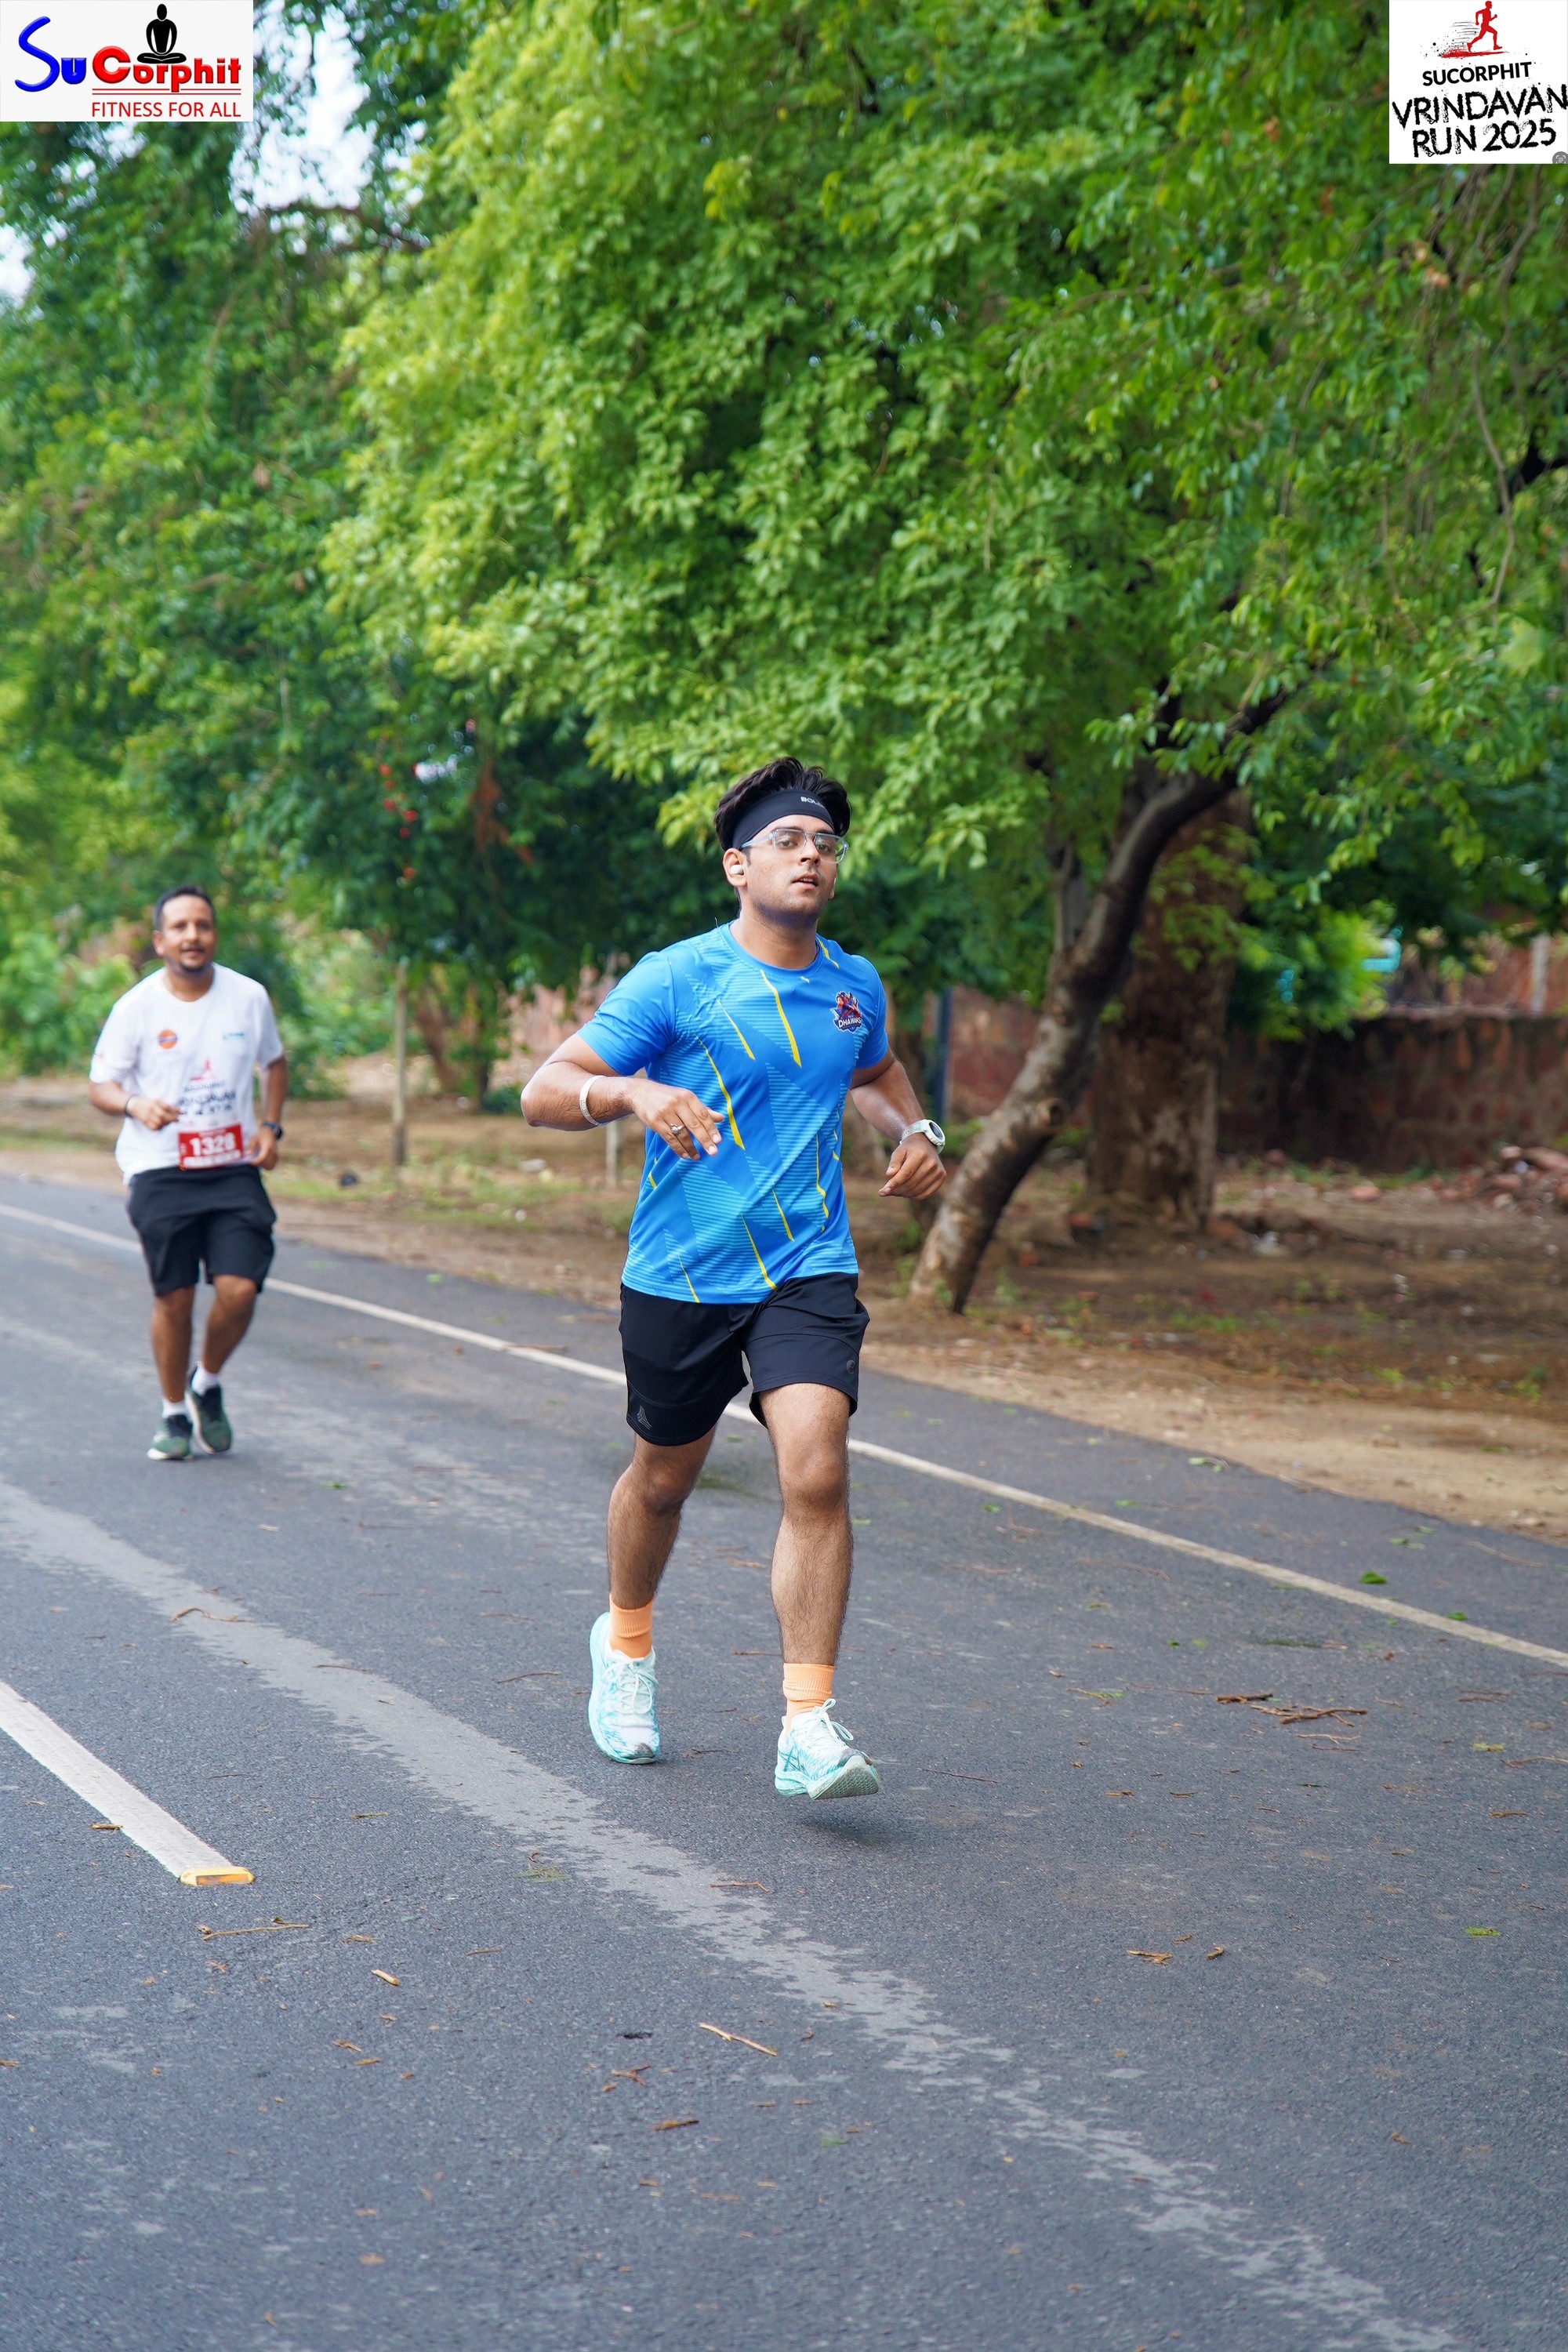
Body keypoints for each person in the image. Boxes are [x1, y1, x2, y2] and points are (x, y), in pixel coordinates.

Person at [521, 758, 947, 1799]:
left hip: (807, 1267)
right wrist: (632, 1094)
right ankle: (625, 1644)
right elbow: (545, 1088)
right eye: (789, 841)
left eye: (826, 845)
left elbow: (878, 1072)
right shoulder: (679, 978)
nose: (812, 856)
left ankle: (807, 1724)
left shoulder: (852, 986)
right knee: (663, 1480)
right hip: (682, 1272)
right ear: (736, 865)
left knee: (817, 1471)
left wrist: (917, 1130)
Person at [88, 887, 288, 1461]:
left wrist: (270, 1127)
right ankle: (174, 1411)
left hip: (231, 1168)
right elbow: (101, 1086)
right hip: (161, 1168)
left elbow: (274, 1062)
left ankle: (207, 1381)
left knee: (240, 1290)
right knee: (174, 1298)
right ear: (160, 941)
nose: (192, 935)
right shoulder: (137, 1008)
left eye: (202, 925)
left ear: (214, 935)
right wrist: (135, 1105)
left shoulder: (247, 997)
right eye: (179, 927)